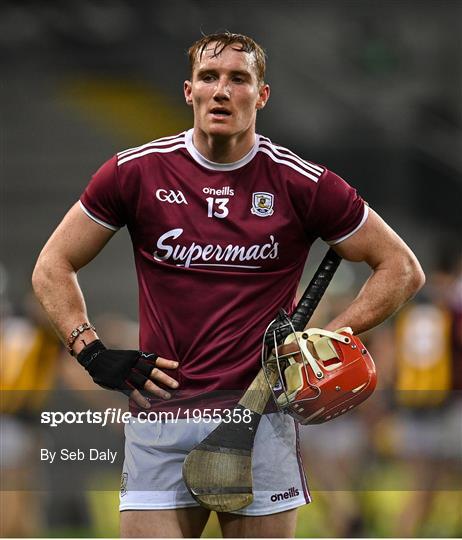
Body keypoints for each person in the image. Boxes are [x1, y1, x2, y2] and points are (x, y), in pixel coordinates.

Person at [32, 32, 425, 538]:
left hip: (260, 420)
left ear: (260, 95)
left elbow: (401, 268)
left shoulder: (301, 183)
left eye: (238, 79)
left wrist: (324, 340)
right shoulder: (135, 173)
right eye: (209, 78)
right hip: (160, 423)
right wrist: (90, 351)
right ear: (188, 91)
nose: (222, 90)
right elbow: (52, 264)